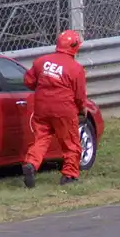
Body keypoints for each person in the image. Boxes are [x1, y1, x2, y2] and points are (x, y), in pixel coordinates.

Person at [22, 29, 88, 188]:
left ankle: (31, 163)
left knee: (41, 139)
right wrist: (82, 109)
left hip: (42, 107)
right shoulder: (76, 68)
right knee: (71, 142)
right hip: (64, 109)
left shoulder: (41, 61)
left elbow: (28, 81)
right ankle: (69, 175)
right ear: (74, 47)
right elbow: (79, 95)